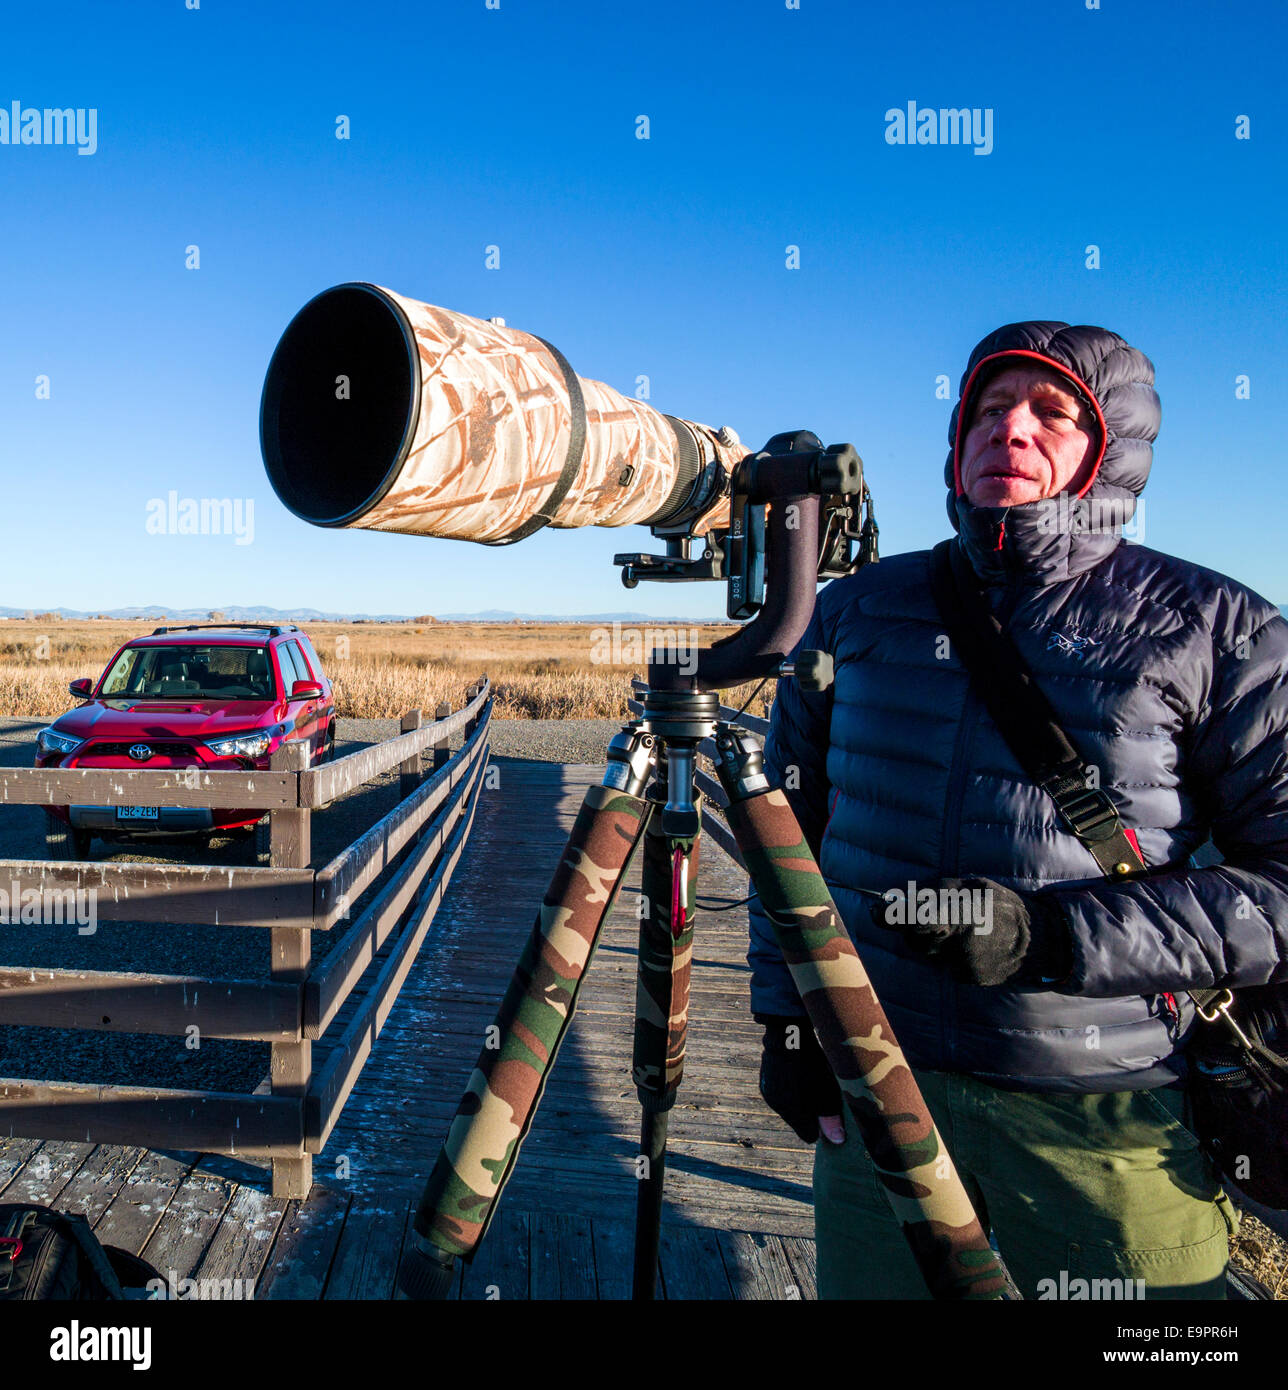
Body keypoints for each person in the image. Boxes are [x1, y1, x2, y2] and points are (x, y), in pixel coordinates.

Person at [747, 319, 1288, 1300]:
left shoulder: (1217, 630)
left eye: (1052, 413)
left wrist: (1049, 936)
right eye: (990, 410)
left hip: (1108, 1123)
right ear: (956, 440)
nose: (1013, 430)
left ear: (1110, 452)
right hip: (882, 1091)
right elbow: (787, 838)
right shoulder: (858, 611)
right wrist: (787, 1025)